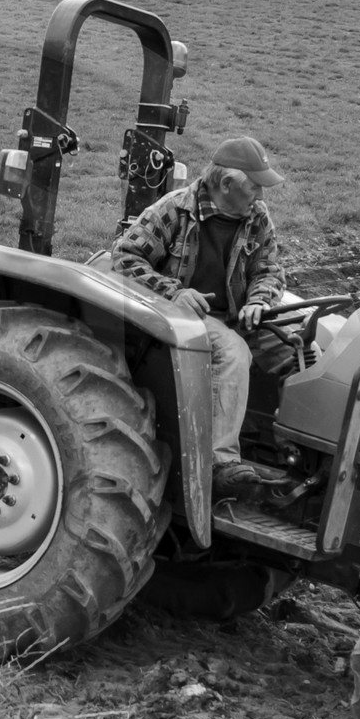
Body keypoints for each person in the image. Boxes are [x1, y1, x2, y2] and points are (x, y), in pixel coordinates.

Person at [110, 136, 296, 498]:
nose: (260, 195)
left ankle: (285, 454)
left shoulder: (256, 217)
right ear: (226, 185)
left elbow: (270, 271)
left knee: (299, 350)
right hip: (184, 317)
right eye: (255, 187)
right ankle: (219, 463)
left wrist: (258, 300)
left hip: (239, 315)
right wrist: (174, 291)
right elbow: (125, 257)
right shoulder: (174, 210)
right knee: (233, 351)